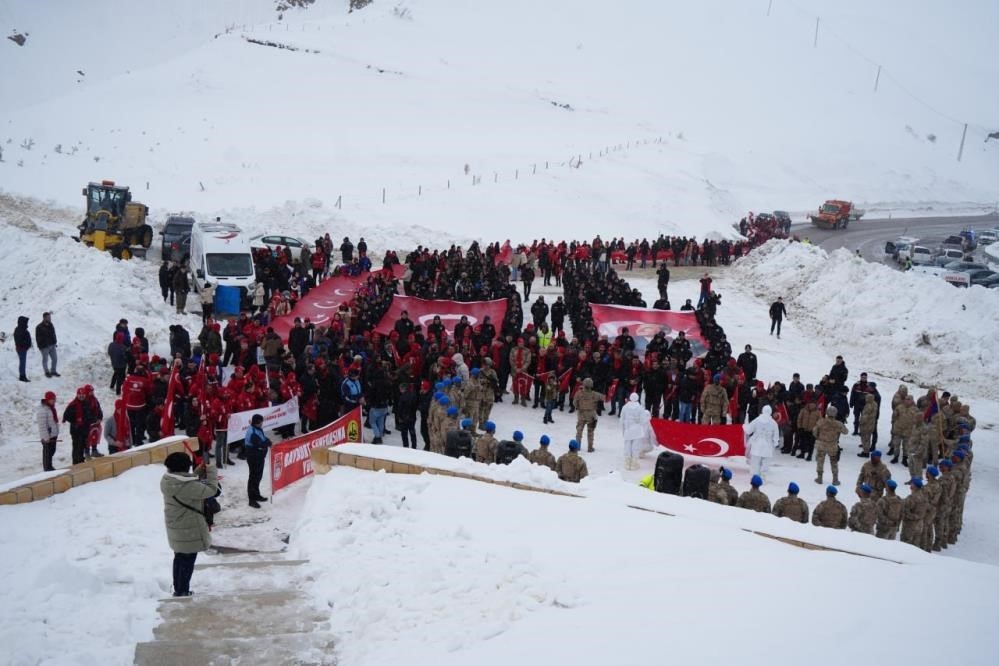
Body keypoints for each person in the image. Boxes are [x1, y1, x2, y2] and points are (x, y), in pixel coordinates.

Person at [161, 452, 218, 597]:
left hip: (177, 527)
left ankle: (179, 589)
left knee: (179, 558)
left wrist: (198, 471)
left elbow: (187, 481)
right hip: (188, 528)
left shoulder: (168, 480)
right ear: (186, 467)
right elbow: (211, 490)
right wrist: (211, 471)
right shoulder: (186, 486)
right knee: (187, 561)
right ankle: (182, 591)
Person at [813, 405, 847, 486]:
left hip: (822, 444)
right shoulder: (838, 424)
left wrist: (819, 436)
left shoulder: (821, 422)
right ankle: (835, 479)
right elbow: (846, 432)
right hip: (832, 445)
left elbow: (814, 432)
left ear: (827, 413)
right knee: (834, 462)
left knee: (820, 461)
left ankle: (819, 478)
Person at [744, 404, 780, 480]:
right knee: (765, 465)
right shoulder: (773, 423)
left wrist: (744, 426)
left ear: (763, 410)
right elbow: (776, 436)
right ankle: (763, 478)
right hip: (768, 446)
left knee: (755, 464)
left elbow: (748, 430)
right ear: (770, 412)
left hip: (756, 445)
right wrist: (775, 443)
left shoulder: (757, 420)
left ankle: (755, 479)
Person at [244, 414, 272, 508]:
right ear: (257, 422)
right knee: (253, 477)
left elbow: (263, 438)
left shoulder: (258, 429)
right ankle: (251, 499)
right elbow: (260, 443)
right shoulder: (252, 432)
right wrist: (267, 443)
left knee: (258, 477)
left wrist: (267, 441)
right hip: (254, 458)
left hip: (259, 457)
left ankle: (256, 494)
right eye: (261, 421)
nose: (262, 423)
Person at [573, 377, 603, 452]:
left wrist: (578, 407)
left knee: (579, 431)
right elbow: (603, 398)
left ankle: (577, 447)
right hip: (591, 415)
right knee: (590, 432)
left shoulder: (578, 393)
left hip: (581, 414)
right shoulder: (595, 394)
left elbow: (574, 402)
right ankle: (590, 448)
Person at [619, 392, 646, 470]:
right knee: (635, 446)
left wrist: (622, 428)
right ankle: (634, 463)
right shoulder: (640, 408)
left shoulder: (625, 407)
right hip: (637, 430)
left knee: (627, 446)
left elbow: (621, 419)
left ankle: (627, 463)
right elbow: (643, 420)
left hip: (628, 429)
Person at [900, 478, 927, 546]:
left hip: (910, 526)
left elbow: (905, 509)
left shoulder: (912, 498)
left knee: (905, 545)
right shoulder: (924, 497)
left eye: (912, 484)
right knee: (915, 546)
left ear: (915, 486)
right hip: (919, 526)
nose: (910, 485)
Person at [37, 391, 59, 471]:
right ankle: (47, 468)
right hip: (47, 436)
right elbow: (42, 426)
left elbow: (53, 422)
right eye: (52, 399)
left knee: (52, 451)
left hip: (52, 435)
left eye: (54, 399)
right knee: (47, 453)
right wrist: (46, 437)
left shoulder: (51, 409)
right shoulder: (43, 410)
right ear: (48, 399)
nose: (54, 401)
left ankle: (49, 466)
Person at [35, 312, 59, 378]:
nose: (50, 318)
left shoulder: (51, 325)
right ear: (44, 318)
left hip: (52, 345)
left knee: (55, 359)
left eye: (50, 317)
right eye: (48, 317)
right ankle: (46, 372)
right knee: (45, 360)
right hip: (44, 347)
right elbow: (37, 338)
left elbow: (53, 334)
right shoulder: (39, 327)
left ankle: (53, 371)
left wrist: (55, 342)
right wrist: (40, 346)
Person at [14, 315, 32, 382]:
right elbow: (19, 341)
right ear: (22, 322)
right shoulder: (19, 330)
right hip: (21, 349)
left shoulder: (21, 329)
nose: (27, 323)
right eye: (26, 322)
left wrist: (27, 345)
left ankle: (22, 375)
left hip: (22, 348)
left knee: (22, 362)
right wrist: (27, 345)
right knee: (22, 363)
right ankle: (22, 376)